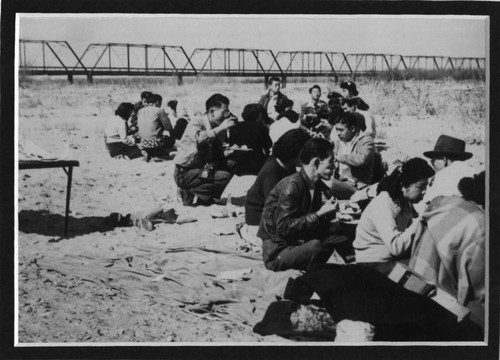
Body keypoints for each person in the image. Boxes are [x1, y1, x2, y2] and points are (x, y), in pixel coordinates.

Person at [409, 171, 485, 333]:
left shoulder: (442, 204)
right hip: (444, 313)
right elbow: (478, 292)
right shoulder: (481, 227)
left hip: (413, 291)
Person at [258, 138, 350, 272]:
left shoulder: (315, 183)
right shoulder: (292, 185)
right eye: (331, 162)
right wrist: (319, 214)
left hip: (296, 242)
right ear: (317, 162)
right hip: (277, 252)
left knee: (343, 236)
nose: (334, 167)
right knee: (317, 247)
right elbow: (284, 227)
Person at [353, 158, 435, 274]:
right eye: (420, 186)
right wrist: (422, 219)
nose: (424, 191)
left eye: (426, 187)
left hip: (388, 260)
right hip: (373, 265)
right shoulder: (384, 203)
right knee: (422, 282)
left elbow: (408, 234)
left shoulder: (403, 201)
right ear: (403, 184)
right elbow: (396, 247)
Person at [173, 93, 237, 206]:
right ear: (212, 112)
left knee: (232, 164)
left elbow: (217, 152)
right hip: (185, 172)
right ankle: (188, 190)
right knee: (224, 176)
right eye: (224, 112)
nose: (226, 115)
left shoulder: (215, 126)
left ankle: (204, 198)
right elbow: (199, 139)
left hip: (202, 168)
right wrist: (221, 128)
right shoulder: (196, 122)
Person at [245, 128, 311, 227]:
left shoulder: (288, 166)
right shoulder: (272, 171)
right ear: (294, 151)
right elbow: (273, 204)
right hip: (259, 218)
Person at [417, 134, 475, 212]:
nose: (432, 162)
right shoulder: (472, 172)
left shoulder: (441, 176)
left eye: (433, 159)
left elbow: (427, 205)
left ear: (444, 160)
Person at [330, 112, 375, 199]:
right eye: (337, 130)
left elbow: (361, 159)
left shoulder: (366, 140)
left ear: (353, 128)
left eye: (341, 130)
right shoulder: (338, 141)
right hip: (340, 181)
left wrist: (339, 158)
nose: (338, 133)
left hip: (357, 186)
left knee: (329, 183)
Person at [226, 103, 273, 176]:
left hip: (238, 164)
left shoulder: (235, 127)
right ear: (258, 115)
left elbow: (231, 145)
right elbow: (268, 145)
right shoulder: (261, 127)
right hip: (257, 165)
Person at [136, 94, 174, 161]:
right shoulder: (159, 110)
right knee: (170, 138)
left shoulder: (140, 111)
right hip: (155, 142)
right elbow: (168, 127)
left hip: (143, 141)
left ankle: (148, 153)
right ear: (157, 102)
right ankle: (160, 155)